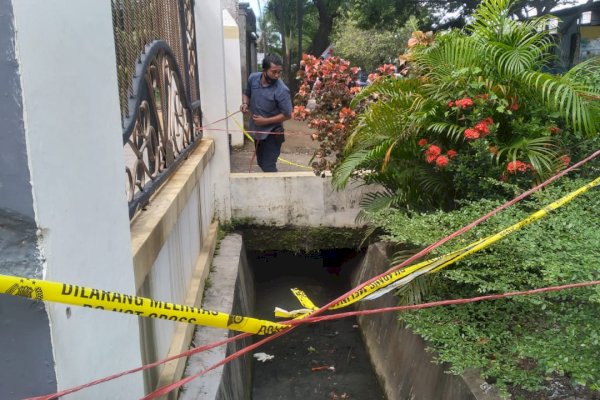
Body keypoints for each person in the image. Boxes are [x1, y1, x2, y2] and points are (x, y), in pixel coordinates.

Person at [240, 54, 292, 172]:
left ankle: (276, 189)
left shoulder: (282, 90)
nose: (277, 75)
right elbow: (247, 93)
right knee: (261, 162)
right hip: (257, 131)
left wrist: (266, 121)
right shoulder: (253, 78)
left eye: (279, 72)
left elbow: (288, 114)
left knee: (269, 166)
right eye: (274, 72)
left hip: (273, 134)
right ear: (264, 70)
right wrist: (245, 104)